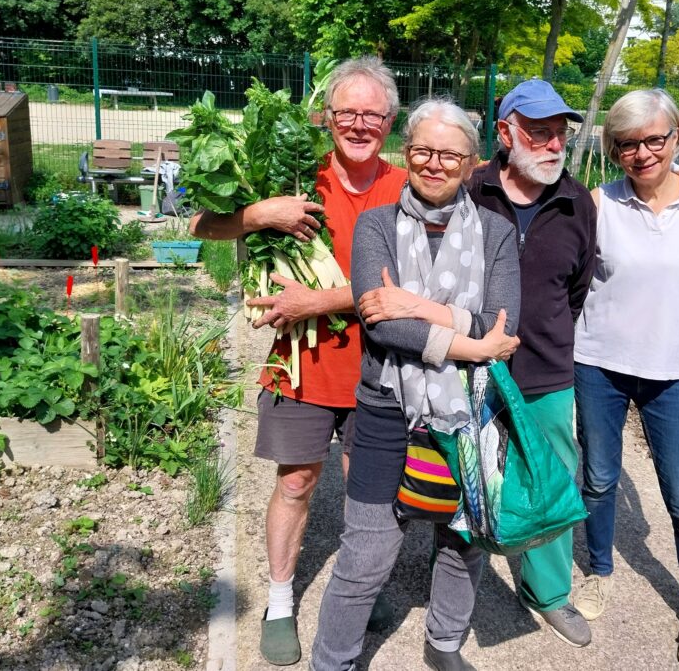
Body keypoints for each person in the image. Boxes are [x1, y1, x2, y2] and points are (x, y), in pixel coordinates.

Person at [189, 57, 408, 666]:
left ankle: (361, 585)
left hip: (382, 369)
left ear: (388, 122)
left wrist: (319, 299)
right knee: (296, 482)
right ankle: (280, 600)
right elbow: (202, 224)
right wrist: (263, 214)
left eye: (372, 114)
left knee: (371, 489)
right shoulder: (292, 176)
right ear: (326, 117)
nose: (359, 124)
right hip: (302, 365)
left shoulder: (404, 188)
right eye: (347, 113)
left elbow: (414, 279)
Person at [309, 99, 520, 671]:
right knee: (367, 550)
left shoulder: (496, 234)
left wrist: (416, 304)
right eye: (423, 150)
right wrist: (470, 344)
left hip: (470, 412)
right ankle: (334, 661)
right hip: (386, 406)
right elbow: (383, 324)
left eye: (449, 154)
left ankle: (445, 641)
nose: (434, 163)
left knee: (462, 538)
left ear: (472, 162)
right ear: (407, 153)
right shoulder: (377, 225)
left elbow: (504, 323)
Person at [570, 88, 679, 671]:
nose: (642, 154)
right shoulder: (599, 203)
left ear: (676, 136)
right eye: (628, 144)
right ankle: (600, 571)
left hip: (674, 374)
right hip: (601, 366)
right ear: (616, 151)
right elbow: (573, 283)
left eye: (653, 140)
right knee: (600, 480)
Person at [467, 79, 597, 648]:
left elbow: (577, 287)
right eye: (539, 134)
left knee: (551, 478)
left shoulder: (576, 201)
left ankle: (548, 593)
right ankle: (455, 580)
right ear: (505, 134)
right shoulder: (470, 190)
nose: (553, 146)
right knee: (466, 471)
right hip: (470, 365)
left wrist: (539, 332)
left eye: (560, 135)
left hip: (546, 368)